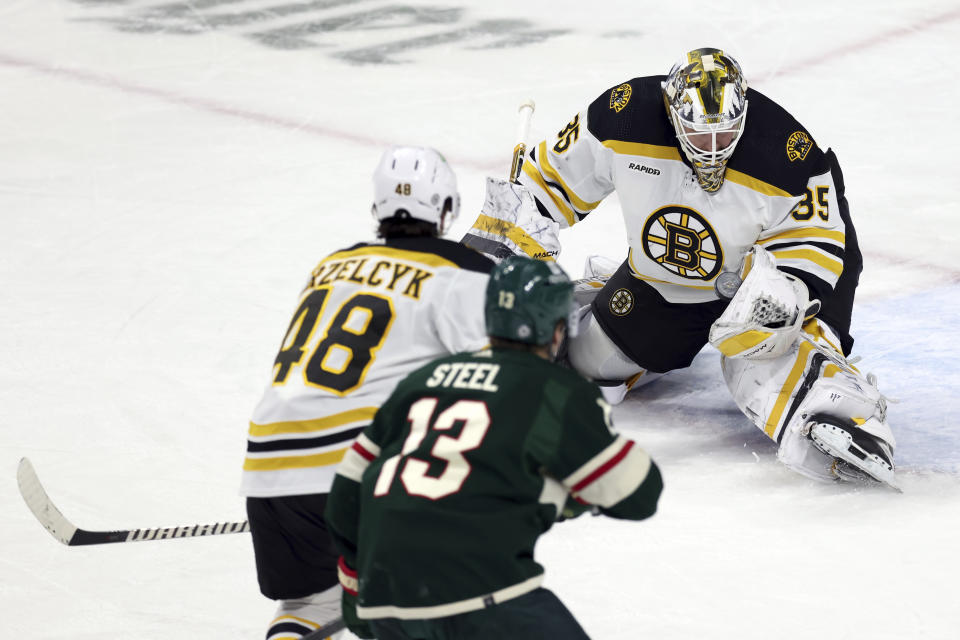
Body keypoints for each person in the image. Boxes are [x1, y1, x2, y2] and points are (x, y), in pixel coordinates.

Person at [461, 47, 897, 488]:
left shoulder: (786, 151)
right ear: (672, 112)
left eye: (724, 137)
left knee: (762, 351)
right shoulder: (623, 116)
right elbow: (546, 183)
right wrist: (502, 243)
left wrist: (792, 292)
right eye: (700, 136)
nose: (712, 151)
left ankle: (835, 402)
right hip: (664, 280)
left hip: (757, 280)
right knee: (591, 364)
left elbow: (823, 239)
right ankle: (588, 302)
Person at [324, 255, 663, 640]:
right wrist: (566, 493)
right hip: (477, 597)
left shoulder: (422, 379)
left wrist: (358, 589)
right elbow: (638, 496)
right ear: (555, 329)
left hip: (382, 601)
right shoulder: (554, 390)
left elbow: (345, 496)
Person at [240, 146, 495, 639]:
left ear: (378, 207)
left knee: (311, 602)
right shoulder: (464, 273)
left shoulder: (331, 265)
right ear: (446, 208)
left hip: (268, 469)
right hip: (361, 470)